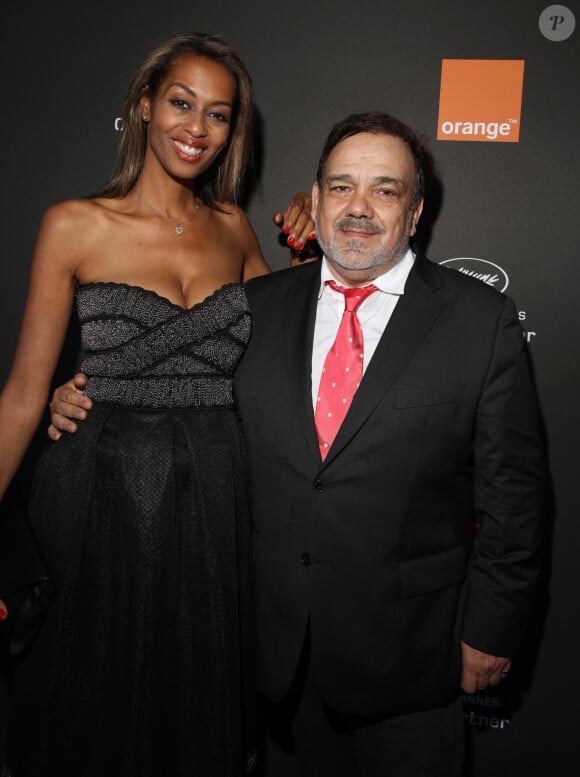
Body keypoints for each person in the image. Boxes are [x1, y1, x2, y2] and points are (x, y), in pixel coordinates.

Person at [48, 110, 546, 777]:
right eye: (340, 187)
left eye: (385, 189)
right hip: (272, 661)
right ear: (314, 200)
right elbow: (172, 389)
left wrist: (489, 631)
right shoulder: (257, 305)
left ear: (417, 210)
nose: (359, 208)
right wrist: (76, 393)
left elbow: (515, 498)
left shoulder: (478, 321)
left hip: (408, 663)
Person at [0, 31, 316, 777]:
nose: (196, 128)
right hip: (96, 490)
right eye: (180, 102)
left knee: (195, 707)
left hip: (213, 490)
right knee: (89, 703)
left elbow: (287, 353)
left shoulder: (237, 227)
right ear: (144, 105)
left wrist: (312, 242)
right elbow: (20, 396)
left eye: (217, 113)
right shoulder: (74, 224)